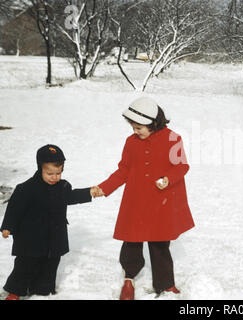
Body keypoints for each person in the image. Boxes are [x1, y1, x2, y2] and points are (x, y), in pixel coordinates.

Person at [95, 96, 194, 300]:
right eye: (133, 127)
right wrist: (104, 188)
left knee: (159, 244)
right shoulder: (131, 143)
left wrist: (168, 179)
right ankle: (129, 280)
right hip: (136, 200)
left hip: (161, 202)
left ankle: (166, 284)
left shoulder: (173, 139)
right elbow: (123, 170)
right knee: (131, 241)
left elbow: (182, 166)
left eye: (139, 127)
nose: (135, 131)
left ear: (153, 122)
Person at [0, 144, 100, 300]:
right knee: (25, 265)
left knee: (50, 265)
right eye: (50, 173)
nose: (54, 177)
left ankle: (42, 290)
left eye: (58, 173)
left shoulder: (63, 187)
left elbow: (71, 197)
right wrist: (7, 227)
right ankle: (15, 291)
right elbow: (14, 209)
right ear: (40, 168)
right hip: (30, 238)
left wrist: (89, 192)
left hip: (54, 237)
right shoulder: (26, 188)